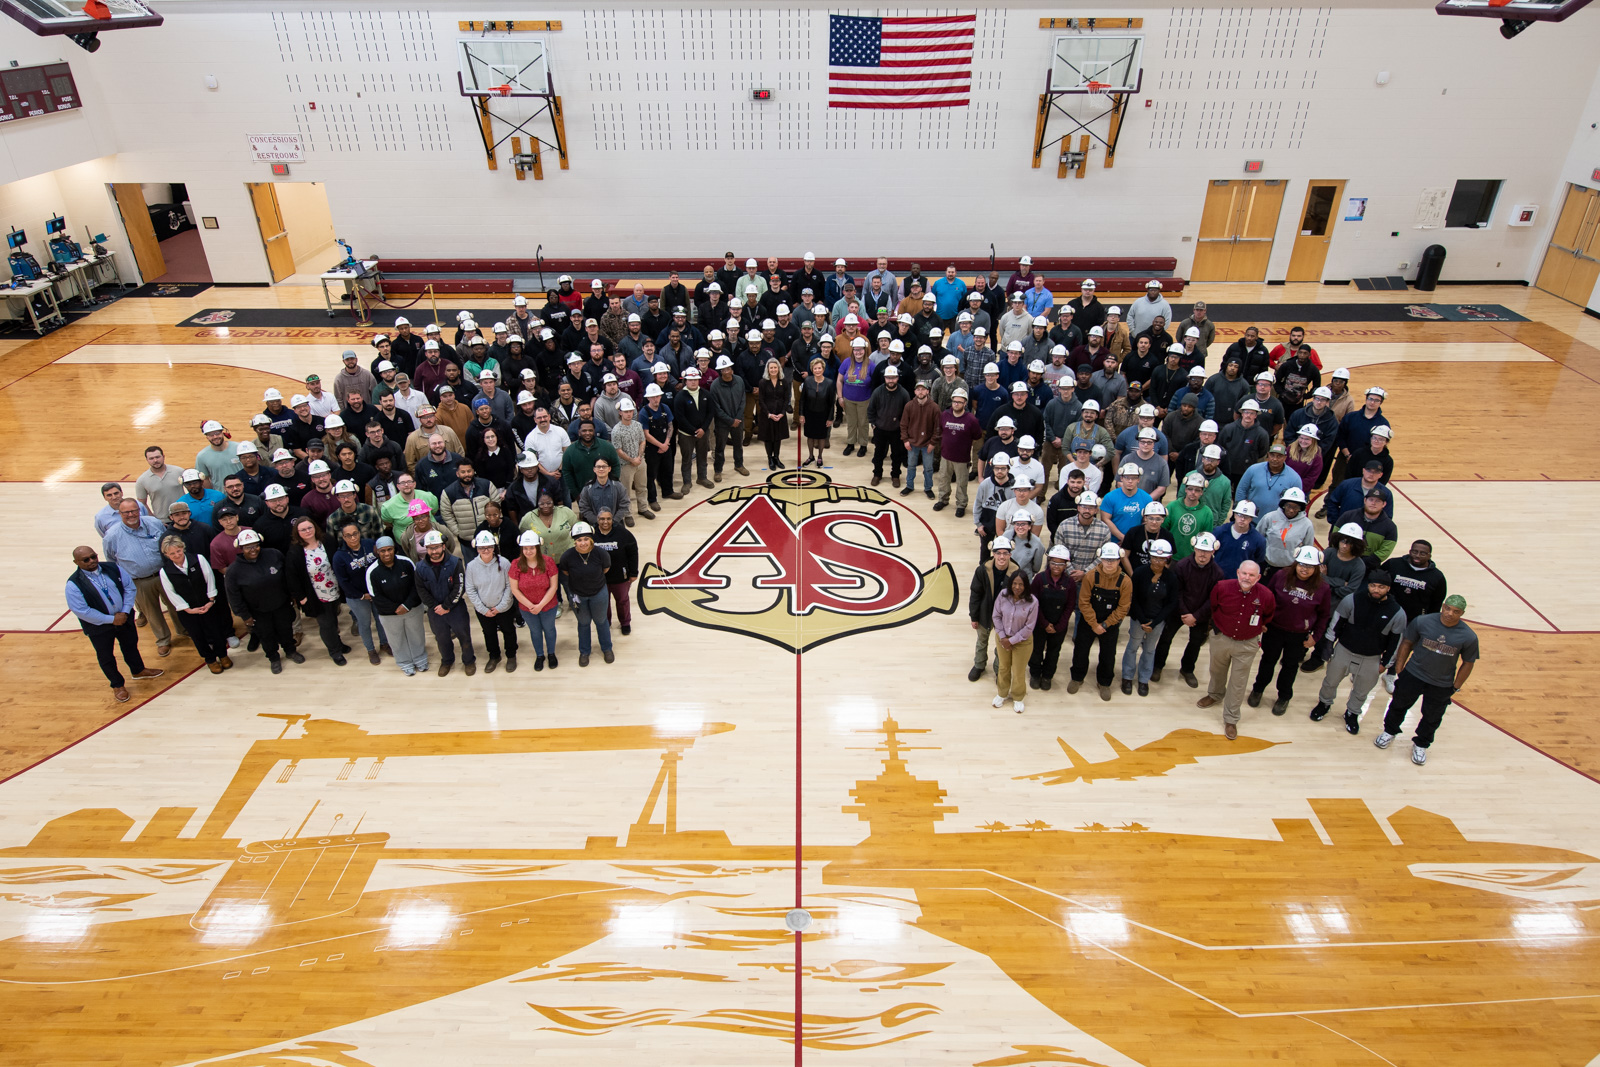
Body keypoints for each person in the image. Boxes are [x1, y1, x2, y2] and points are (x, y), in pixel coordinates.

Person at [1375, 595, 1478, 765]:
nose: (1450, 613)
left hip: (1441, 683)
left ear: (1462, 613)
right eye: (1447, 608)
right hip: (1413, 675)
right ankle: (1389, 731)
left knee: (1432, 717)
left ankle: (1421, 744)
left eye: (1456, 611)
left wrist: (1456, 687)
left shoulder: (1468, 636)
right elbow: (1407, 643)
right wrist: (1400, 669)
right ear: (1443, 606)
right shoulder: (1422, 621)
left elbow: (1468, 663)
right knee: (1398, 705)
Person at [1310, 568, 1407, 733]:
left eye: (1381, 587)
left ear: (1388, 588)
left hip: (1371, 658)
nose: (1376, 590)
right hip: (1344, 650)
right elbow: (1336, 624)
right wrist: (1329, 646)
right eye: (1373, 585)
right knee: (1330, 682)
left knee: (1362, 691)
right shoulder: (1352, 600)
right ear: (1368, 585)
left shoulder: (1397, 612)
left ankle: (1352, 713)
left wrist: (1385, 663)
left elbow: (1396, 642)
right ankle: (1324, 703)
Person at [66, 545, 164, 701]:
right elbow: (82, 611)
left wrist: (125, 612)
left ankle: (138, 670)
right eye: (86, 560)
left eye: (93, 556)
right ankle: (117, 685)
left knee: (130, 645)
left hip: (124, 618)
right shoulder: (73, 584)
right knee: (106, 656)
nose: (91, 561)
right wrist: (112, 619)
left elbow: (129, 588)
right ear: (76, 562)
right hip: (99, 626)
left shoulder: (112, 568)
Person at [1247, 546, 1331, 716]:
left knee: (1290, 666)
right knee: (1267, 661)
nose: (1305, 569)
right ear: (1295, 563)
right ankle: (1258, 689)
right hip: (1274, 629)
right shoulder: (1281, 576)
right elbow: (1267, 598)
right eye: (1302, 564)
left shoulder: (1323, 588)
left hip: (1298, 635)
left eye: (1310, 566)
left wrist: (1315, 637)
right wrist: (1262, 621)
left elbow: (1324, 616)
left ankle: (1284, 697)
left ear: (1316, 568)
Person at [1197, 560, 1276, 739]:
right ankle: (1215, 694)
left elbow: (1268, 615)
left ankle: (1231, 718)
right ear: (1238, 572)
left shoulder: (1266, 595)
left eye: (1251, 575)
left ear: (1258, 577)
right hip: (1221, 638)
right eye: (1244, 573)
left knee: (1238, 681)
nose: (1247, 578)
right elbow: (1214, 607)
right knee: (1216, 670)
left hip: (1247, 643)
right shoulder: (1222, 587)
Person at [102, 498, 179, 657]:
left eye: (134, 510)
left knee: (175, 604)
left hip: (164, 575)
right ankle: (163, 640)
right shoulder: (112, 536)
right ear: (120, 514)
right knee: (152, 613)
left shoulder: (154, 523)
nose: (131, 515)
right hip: (139, 581)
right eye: (126, 512)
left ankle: (184, 630)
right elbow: (111, 560)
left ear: (139, 510)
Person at [223, 528, 303, 674]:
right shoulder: (233, 571)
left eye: (255, 545)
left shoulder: (274, 554)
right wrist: (245, 615)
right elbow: (233, 596)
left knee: (286, 630)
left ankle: (291, 651)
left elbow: (287, 577)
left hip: (281, 605)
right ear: (240, 548)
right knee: (266, 636)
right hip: (258, 612)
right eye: (248, 547)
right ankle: (273, 658)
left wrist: (292, 596)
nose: (253, 549)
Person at [1152, 531, 1223, 687]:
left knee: (1195, 643)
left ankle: (1187, 669)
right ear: (1194, 548)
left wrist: (1196, 616)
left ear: (1213, 551)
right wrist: (1185, 612)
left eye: (1207, 551)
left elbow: (1212, 599)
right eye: (1200, 550)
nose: (1202, 554)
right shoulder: (1181, 566)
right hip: (1178, 611)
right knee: (1165, 639)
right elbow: (1177, 592)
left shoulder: (1217, 572)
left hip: (1200, 615)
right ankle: (1157, 666)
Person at [1069, 541, 1132, 701]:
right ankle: (1077, 678)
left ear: (1119, 560)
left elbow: (1123, 608)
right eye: (1106, 559)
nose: (1109, 563)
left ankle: (1104, 683)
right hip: (1089, 621)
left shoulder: (1125, 581)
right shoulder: (1091, 576)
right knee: (1080, 651)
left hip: (1110, 624)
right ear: (1101, 559)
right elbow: (1083, 602)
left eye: (1113, 560)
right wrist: (1094, 624)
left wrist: (1105, 624)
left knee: (1108, 655)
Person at [1122, 538, 1176, 696]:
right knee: (1132, 647)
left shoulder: (1171, 578)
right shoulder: (1139, 573)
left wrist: (1155, 622)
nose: (1158, 562)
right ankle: (1127, 677)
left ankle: (1143, 679)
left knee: (1150, 650)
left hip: (1157, 621)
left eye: (1161, 559)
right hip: (1139, 619)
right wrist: (1143, 620)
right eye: (1155, 558)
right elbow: (1133, 598)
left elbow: (1171, 603)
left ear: (1167, 559)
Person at [366, 535, 427, 675]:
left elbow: (416, 586)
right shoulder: (372, 571)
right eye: (383, 551)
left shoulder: (406, 563)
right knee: (396, 639)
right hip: (389, 614)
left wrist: (406, 605)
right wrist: (396, 608)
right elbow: (376, 597)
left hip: (412, 609)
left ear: (394, 549)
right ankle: (405, 663)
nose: (387, 553)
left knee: (416, 635)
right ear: (377, 552)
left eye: (389, 549)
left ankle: (420, 660)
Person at [331, 520, 387, 665]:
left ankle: (384, 644)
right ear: (343, 537)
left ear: (359, 533)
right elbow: (343, 582)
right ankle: (371, 650)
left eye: (355, 533)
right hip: (357, 597)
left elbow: (381, 564)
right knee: (364, 623)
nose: (353, 538)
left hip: (376, 592)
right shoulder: (339, 556)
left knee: (381, 619)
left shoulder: (369, 544)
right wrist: (362, 595)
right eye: (348, 535)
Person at [462, 529, 518, 673]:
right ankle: (494, 656)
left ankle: (511, 656)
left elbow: (510, 586)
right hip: (484, 610)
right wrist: (483, 609)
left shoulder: (504, 563)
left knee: (509, 631)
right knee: (489, 633)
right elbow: (470, 590)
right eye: (482, 547)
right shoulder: (471, 566)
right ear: (476, 548)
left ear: (494, 547)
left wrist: (501, 607)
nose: (486, 550)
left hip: (504, 608)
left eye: (489, 547)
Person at [560, 521, 613, 666]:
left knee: (601, 621)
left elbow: (605, 569)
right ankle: (584, 652)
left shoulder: (601, 554)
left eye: (585, 539)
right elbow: (566, 572)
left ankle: (607, 648)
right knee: (583, 623)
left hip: (599, 593)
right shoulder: (567, 556)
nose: (582, 543)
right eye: (579, 540)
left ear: (591, 539)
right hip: (577, 596)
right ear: (574, 541)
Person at [1025, 545, 1076, 691]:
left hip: (1059, 625)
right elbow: (1033, 603)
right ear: (1049, 562)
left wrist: (1059, 626)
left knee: (1053, 652)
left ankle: (1047, 676)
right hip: (1039, 623)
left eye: (1060, 564)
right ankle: (1035, 674)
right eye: (1053, 562)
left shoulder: (1070, 583)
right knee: (1036, 650)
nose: (1056, 566)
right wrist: (1045, 623)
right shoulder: (1039, 579)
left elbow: (1070, 606)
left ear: (1066, 564)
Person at [509, 530, 561, 670]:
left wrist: (540, 605)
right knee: (535, 631)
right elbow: (515, 589)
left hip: (548, 605)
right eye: (525, 548)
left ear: (538, 547)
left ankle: (551, 653)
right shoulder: (516, 564)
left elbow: (554, 586)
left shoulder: (548, 562)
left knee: (549, 629)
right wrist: (531, 606)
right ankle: (540, 655)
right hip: (527, 608)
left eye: (532, 548)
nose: (528, 551)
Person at [990, 570, 1037, 714]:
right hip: (1002, 638)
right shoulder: (1003, 595)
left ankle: (1018, 696)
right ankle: (1002, 693)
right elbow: (996, 616)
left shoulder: (1033, 602)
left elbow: (1029, 627)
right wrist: (1003, 637)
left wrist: (1011, 641)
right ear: (1010, 584)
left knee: (1018, 670)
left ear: (1026, 585)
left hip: (1022, 642)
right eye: (1015, 583)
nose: (1017, 587)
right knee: (1003, 667)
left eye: (1021, 584)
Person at [591, 509, 639, 636]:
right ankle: (605, 623)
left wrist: (633, 573)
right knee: (603, 603)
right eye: (602, 519)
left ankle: (625, 623)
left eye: (608, 519)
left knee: (622, 601)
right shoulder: (592, 534)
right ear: (597, 520)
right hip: (600, 578)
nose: (605, 522)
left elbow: (633, 553)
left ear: (612, 519)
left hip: (620, 577)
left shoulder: (623, 533)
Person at [934, 389, 981, 516]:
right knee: (943, 480)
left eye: (959, 402)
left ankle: (961, 504)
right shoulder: (945, 415)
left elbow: (977, 435)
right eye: (954, 401)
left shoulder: (971, 419)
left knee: (961, 483)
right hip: (946, 456)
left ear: (965, 403)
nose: (956, 404)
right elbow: (941, 429)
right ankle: (943, 500)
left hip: (962, 458)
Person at [1256, 486, 1315, 579]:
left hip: (1289, 568)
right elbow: (1257, 538)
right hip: (1266, 564)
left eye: (1296, 507)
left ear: (1301, 508)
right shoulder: (1269, 517)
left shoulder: (1307, 524)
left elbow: (1308, 547)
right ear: (1283, 505)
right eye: (1289, 506)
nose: (1291, 510)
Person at [1388, 540, 1448, 623]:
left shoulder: (1437, 577)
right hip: (1390, 614)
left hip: (1416, 621)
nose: (1417, 556)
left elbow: (1436, 604)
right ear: (1410, 552)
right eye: (1415, 552)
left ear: (1429, 556)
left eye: (1422, 553)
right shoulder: (1393, 564)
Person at [1211, 500, 1266, 578]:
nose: (1242, 519)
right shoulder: (1219, 532)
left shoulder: (1258, 540)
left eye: (1246, 516)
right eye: (1240, 515)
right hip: (1217, 578)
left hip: (1241, 581)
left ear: (1251, 518)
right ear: (1235, 515)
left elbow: (1258, 561)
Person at [756, 357, 792, 470]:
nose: (773, 370)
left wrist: (782, 413)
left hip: (780, 414)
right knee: (768, 438)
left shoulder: (784, 381)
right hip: (767, 415)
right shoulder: (763, 382)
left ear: (779, 368)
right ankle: (770, 458)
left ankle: (776, 457)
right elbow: (761, 400)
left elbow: (786, 399)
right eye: (771, 368)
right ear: (767, 369)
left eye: (775, 367)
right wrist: (769, 414)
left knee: (777, 438)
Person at [135, 445, 186, 520]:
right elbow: (142, 503)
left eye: (157, 457)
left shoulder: (179, 471)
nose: (155, 460)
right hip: (163, 521)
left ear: (163, 457)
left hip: (184, 517)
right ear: (147, 460)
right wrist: (153, 519)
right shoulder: (142, 480)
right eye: (151, 458)